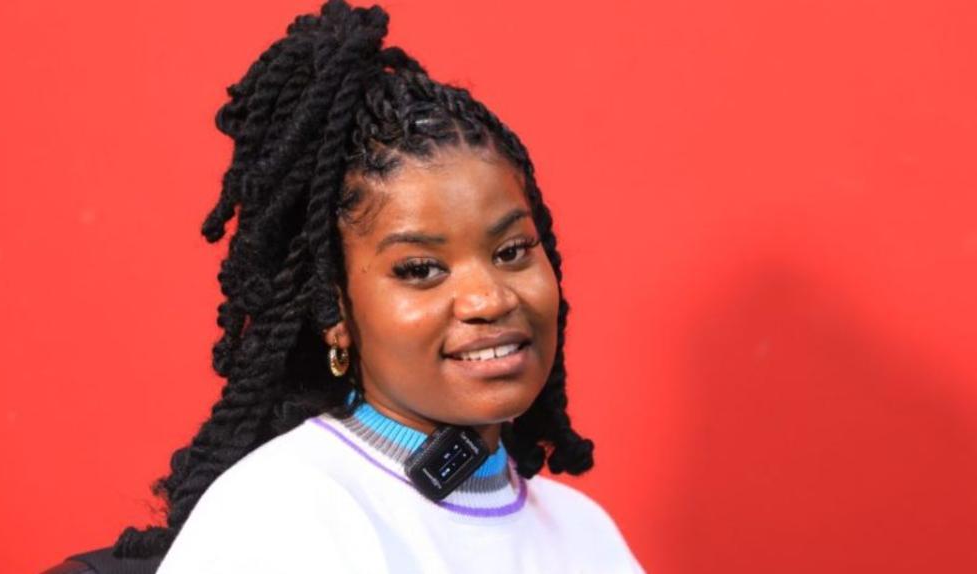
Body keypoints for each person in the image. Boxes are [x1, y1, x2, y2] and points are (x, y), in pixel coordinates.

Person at [106, 1, 644, 572]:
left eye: (511, 252)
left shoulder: (584, 533)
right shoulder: (280, 517)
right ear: (335, 310)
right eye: (420, 269)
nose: (490, 299)